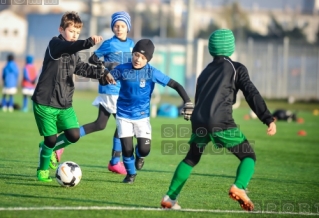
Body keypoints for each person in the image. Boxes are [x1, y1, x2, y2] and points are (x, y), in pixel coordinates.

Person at [160, 29, 277, 211]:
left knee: (191, 158)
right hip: (220, 121)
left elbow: (199, 99)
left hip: (198, 120)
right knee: (248, 156)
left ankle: (170, 197)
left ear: (211, 48)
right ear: (231, 47)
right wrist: (267, 118)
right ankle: (239, 186)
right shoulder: (236, 68)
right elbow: (251, 93)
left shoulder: (204, 71)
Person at [32, 11, 114, 182]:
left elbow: (83, 68)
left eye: (77, 33)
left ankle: (49, 148)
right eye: (71, 31)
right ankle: (42, 170)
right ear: (61, 29)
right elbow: (70, 47)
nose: (74, 35)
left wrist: (102, 74)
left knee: (74, 135)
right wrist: (88, 42)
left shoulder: (73, 53)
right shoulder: (55, 45)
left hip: (64, 103)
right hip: (45, 101)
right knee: (51, 138)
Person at [54, 11, 134, 175]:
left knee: (100, 124)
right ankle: (114, 161)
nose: (119, 28)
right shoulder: (110, 44)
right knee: (124, 125)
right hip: (110, 89)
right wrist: (107, 67)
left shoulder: (132, 44)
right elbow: (93, 60)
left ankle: (62, 143)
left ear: (128, 28)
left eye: (122, 26)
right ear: (113, 28)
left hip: (122, 91)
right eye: (116, 26)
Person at [109, 39, 194, 184]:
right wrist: (106, 76)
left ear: (148, 59)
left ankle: (140, 155)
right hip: (123, 115)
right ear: (133, 53)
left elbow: (175, 84)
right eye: (136, 55)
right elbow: (107, 77)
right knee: (127, 149)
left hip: (142, 117)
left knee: (144, 149)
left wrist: (188, 101)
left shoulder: (152, 72)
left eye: (143, 57)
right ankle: (131, 175)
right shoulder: (122, 69)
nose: (138, 59)